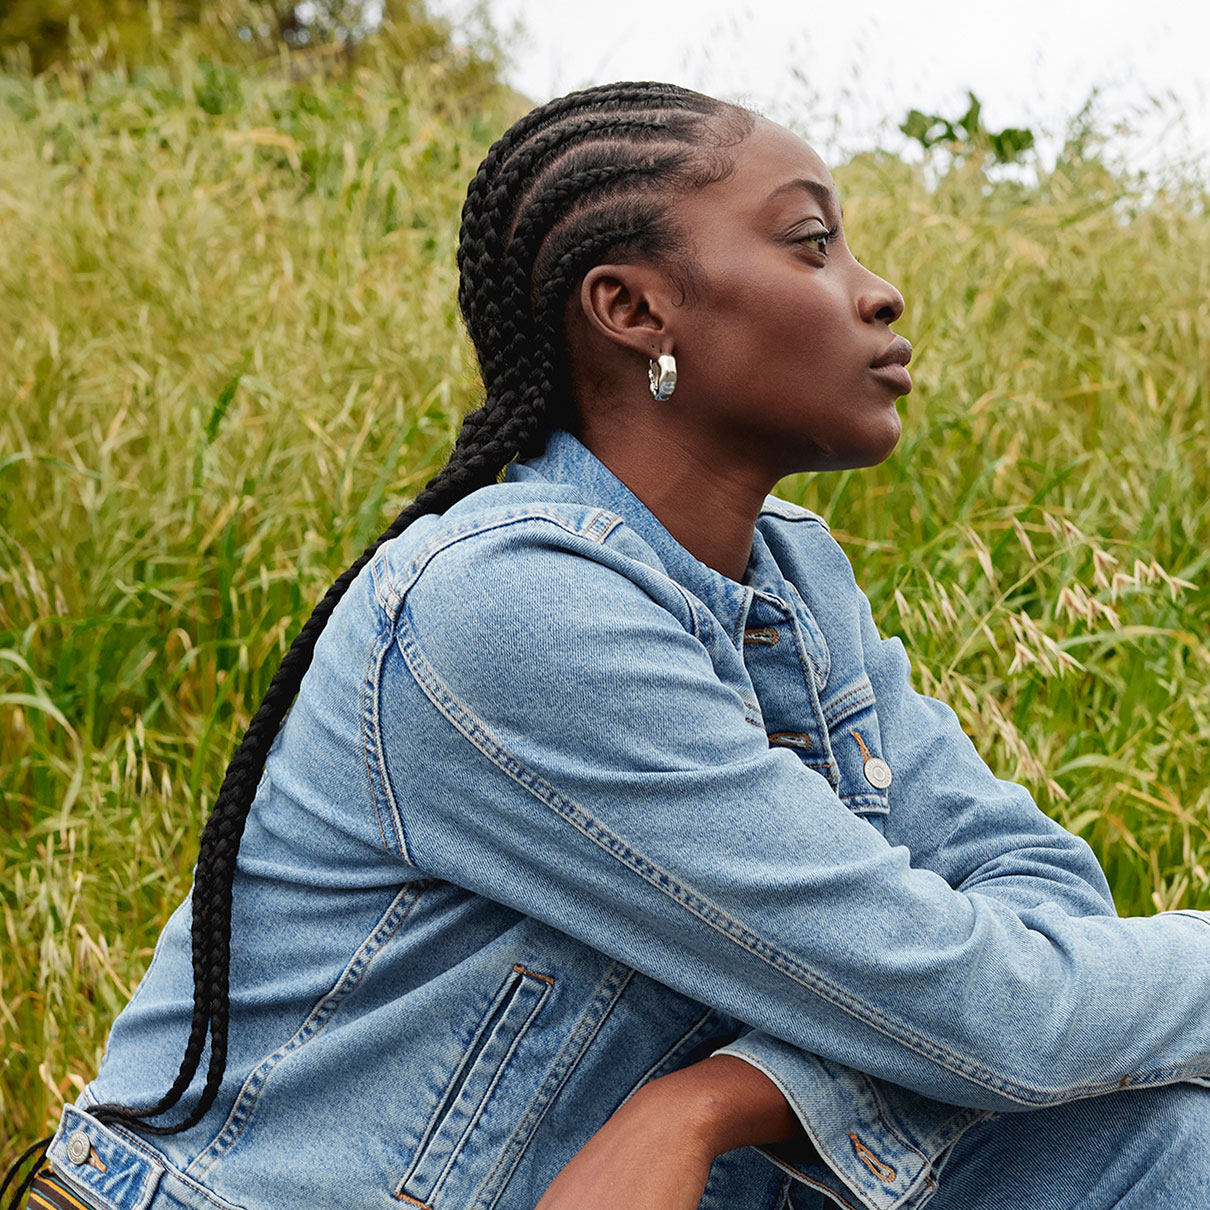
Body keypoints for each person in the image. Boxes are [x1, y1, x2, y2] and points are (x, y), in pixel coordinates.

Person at [7, 80, 1210, 1210]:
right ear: (632, 310)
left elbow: (1043, 903)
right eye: (809, 242)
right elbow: (991, 1008)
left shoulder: (791, 581)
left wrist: (719, 1101)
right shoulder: (511, 606)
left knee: (1150, 1140)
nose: (877, 291)